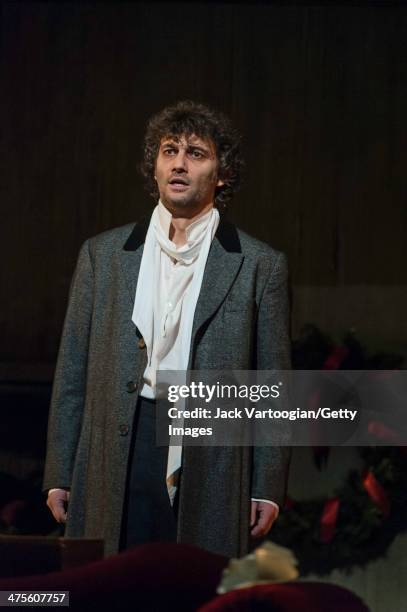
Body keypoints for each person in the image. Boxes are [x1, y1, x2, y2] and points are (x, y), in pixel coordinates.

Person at [43, 100, 291, 558]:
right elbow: (72, 372)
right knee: (112, 583)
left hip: (209, 447)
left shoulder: (259, 265)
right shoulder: (104, 255)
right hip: (122, 437)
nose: (179, 162)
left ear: (222, 173)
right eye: (169, 150)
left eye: (196, 153)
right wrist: (60, 469)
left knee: (191, 585)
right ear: (154, 168)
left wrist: (267, 485)